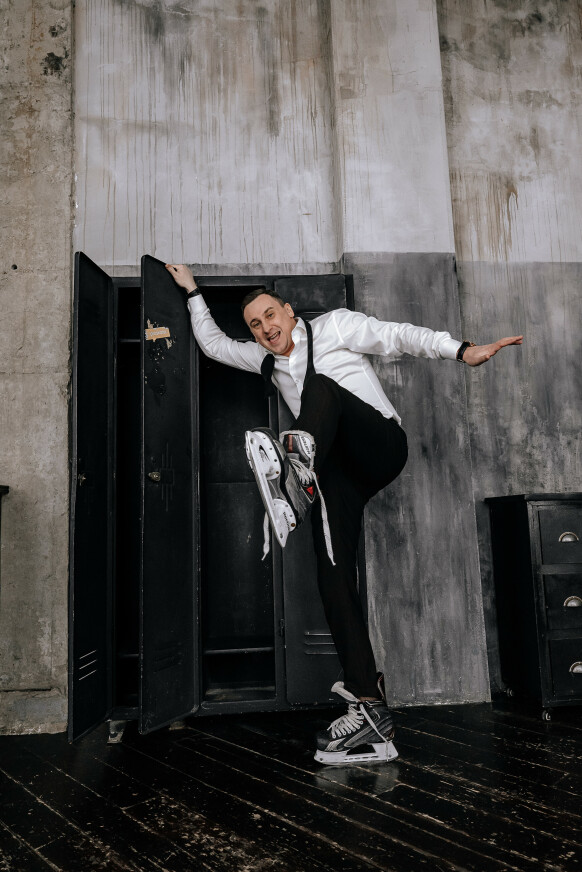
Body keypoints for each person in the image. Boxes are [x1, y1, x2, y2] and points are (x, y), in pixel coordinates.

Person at [166, 262, 523, 765]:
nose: (266, 328)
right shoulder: (263, 359)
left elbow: (397, 336)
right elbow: (213, 345)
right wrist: (191, 291)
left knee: (323, 389)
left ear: (289, 312)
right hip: (333, 473)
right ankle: (371, 713)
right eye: (256, 325)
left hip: (378, 445)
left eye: (271, 316)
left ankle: (293, 477)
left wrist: (461, 350)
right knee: (332, 577)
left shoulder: (335, 326)